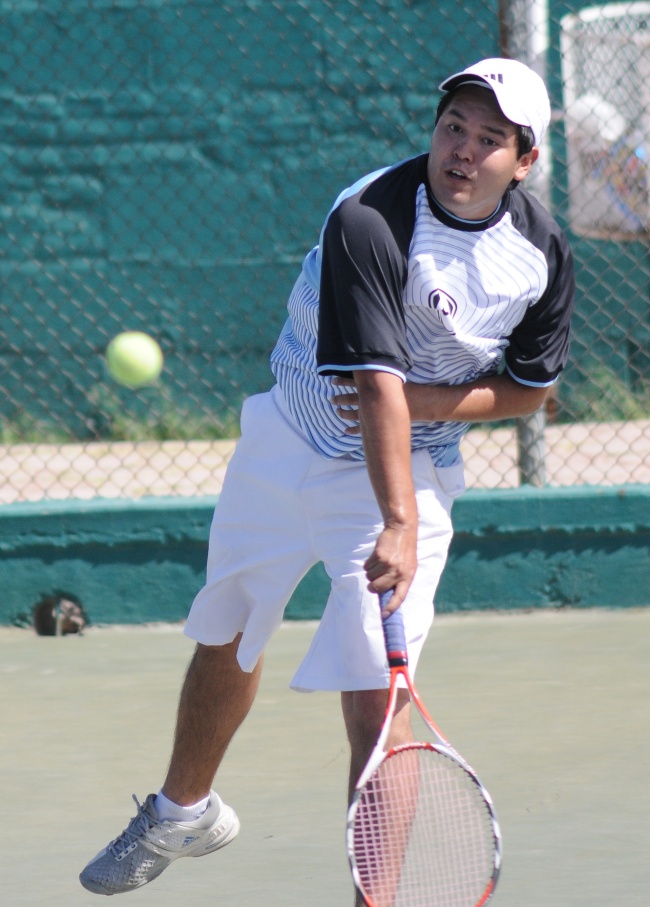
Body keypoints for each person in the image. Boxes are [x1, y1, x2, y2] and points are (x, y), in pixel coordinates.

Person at [80, 57, 574, 898]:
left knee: (379, 706)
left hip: (407, 470)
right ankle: (182, 810)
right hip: (285, 438)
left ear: (522, 162)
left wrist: (403, 503)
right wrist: (400, 517)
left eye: (490, 140)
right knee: (229, 627)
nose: (462, 150)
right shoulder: (370, 218)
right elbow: (369, 383)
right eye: (453, 126)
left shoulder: (539, 255)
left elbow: (533, 388)